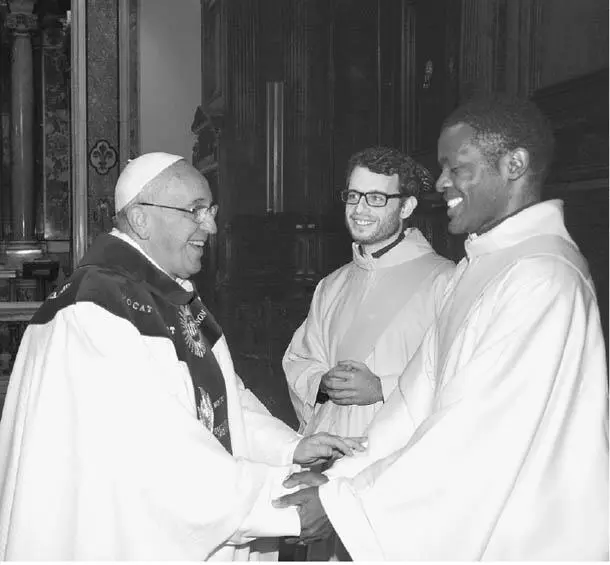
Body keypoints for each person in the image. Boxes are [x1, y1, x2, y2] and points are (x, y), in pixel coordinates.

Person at [274, 94, 609, 560]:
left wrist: (342, 504)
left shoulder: (543, 277)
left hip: (520, 536)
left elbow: (474, 435)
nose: (442, 181)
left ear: (514, 164)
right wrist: (338, 479)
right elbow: (416, 402)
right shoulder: (479, 268)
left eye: (458, 167)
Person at [0, 153, 364, 561]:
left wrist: (288, 448)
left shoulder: (167, 295)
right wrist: (275, 506)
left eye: (210, 211)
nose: (209, 226)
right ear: (141, 219)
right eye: (195, 211)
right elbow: (158, 455)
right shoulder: (96, 312)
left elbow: (225, 395)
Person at [283, 147, 455, 439]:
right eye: (353, 196)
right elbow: (300, 359)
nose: (359, 209)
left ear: (407, 207)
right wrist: (320, 382)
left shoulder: (445, 280)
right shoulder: (331, 285)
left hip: (397, 457)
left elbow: (457, 374)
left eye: (376, 198)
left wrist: (381, 388)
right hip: (332, 451)